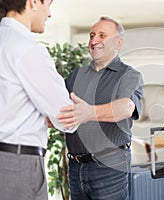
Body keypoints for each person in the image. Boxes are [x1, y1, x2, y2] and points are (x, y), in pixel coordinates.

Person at [0, 0, 87, 200]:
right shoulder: (26, 48)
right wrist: (82, 112)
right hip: (17, 165)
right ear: (33, 3)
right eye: (48, 4)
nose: (49, 14)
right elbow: (66, 116)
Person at [56, 16, 144, 200]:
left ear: (118, 43)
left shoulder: (129, 75)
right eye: (92, 35)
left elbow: (126, 108)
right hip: (75, 166)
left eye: (102, 35)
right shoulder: (74, 76)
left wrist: (89, 113)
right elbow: (58, 109)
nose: (94, 40)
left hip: (110, 166)